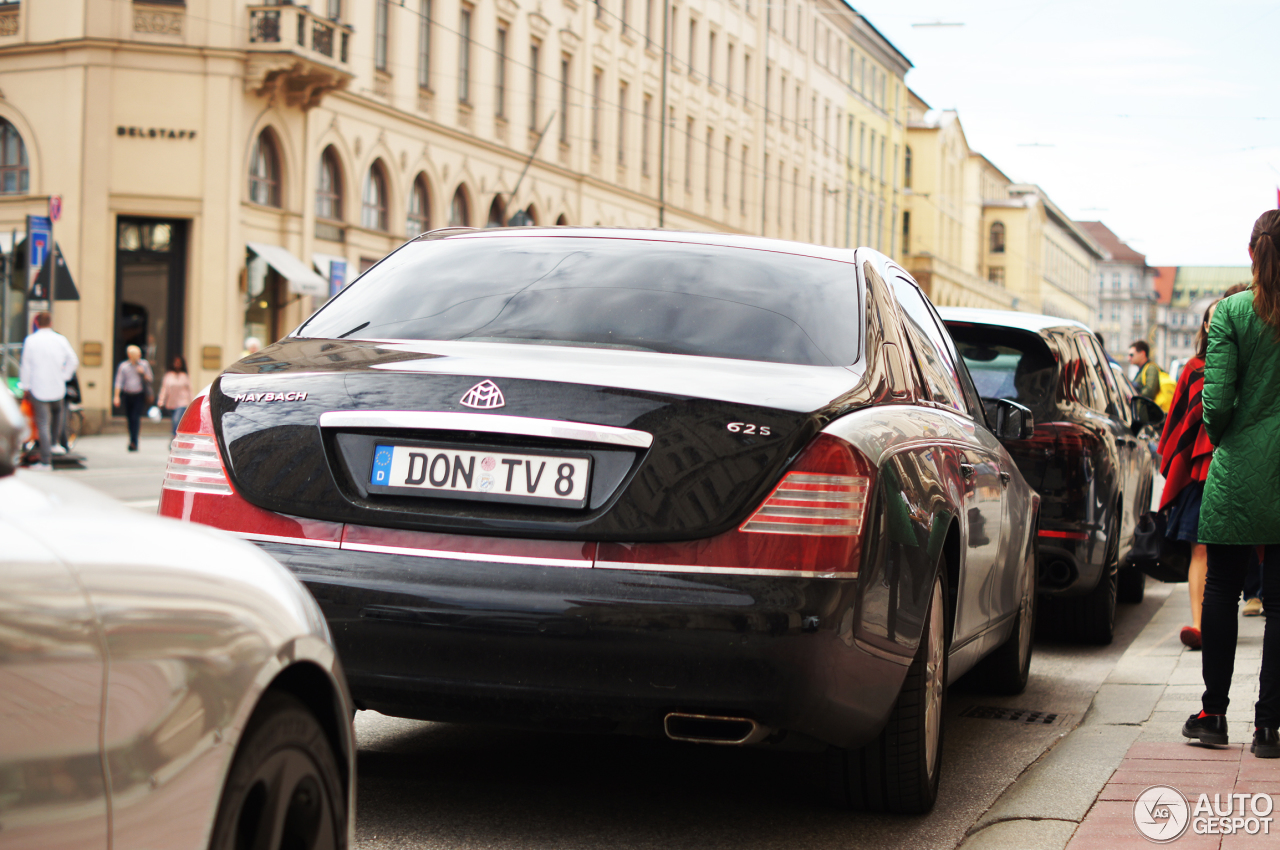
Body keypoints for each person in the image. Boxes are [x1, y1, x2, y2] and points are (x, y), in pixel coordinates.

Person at [1182, 210, 1280, 758]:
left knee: (1221, 585)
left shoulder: (1232, 313)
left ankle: (1213, 714)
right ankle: (1269, 727)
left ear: (1252, 253)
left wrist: (1230, 437)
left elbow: (1213, 404)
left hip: (1239, 464)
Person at [1157, 299, 1219, 650]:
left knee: (1226, 552)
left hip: (1233, 470)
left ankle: (1214, 618)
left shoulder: (1248, 365)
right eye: (1212, 320)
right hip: (1200, 472)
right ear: (1206, 327)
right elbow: (1177, 423)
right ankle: (1198, 623)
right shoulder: (1193, 368)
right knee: (1201, 547)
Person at [17, 311, 78, 470]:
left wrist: (25, 386)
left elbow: (26, 366)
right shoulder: (60, 339)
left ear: (36, 323)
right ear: (50, 323)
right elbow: (73, 360)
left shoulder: (31, 340)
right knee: (58, 415)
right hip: (58, 386)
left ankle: (45, 461)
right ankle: (53, 444)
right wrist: (64, 376)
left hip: (39, 387)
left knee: (43, 423)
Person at [113, 345, 154, 452]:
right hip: (128, 395)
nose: (138, 356)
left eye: (139, 354)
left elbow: (150, 379)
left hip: (139, 395)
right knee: (130, 418)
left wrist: (143, 373)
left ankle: (134, 441)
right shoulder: (124, 366)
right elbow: (119, 382)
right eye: (136, 354)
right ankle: (132, 438)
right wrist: (116, 396)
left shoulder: (144, 365)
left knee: (136, 417)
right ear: (130, 355)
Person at [157, 355, 192, 437]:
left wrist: (192, 402)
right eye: (176, 363)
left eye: (179, 363)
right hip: (171, 403)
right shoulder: (168, 376)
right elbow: (164, 389)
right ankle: (175, 436)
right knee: (174, 421)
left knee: (176, 420)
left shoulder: (184, 376)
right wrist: (161, 401)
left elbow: (189, 390)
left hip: (182, 402)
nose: (177, 365)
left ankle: (174, 437)